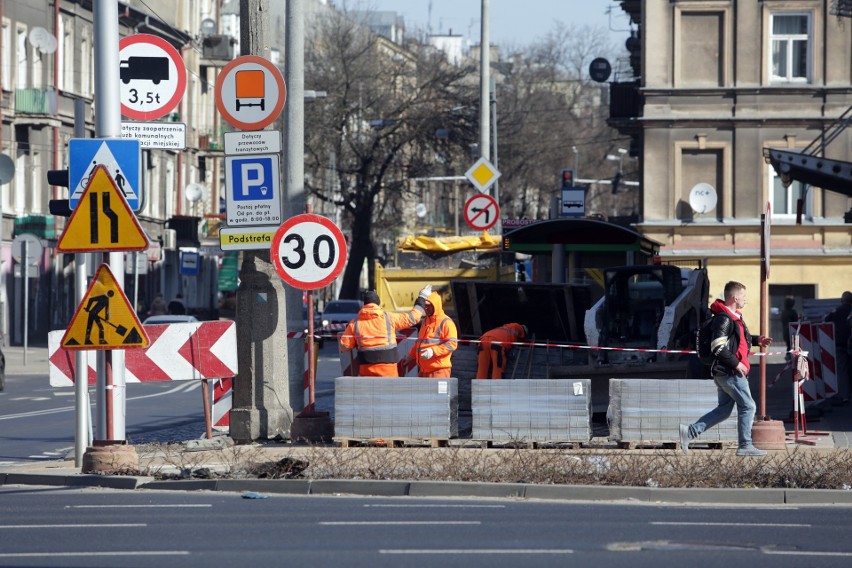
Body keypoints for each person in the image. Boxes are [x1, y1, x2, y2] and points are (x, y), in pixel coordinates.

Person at [680, 281, 772, 457]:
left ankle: (689, 432)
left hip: (725, 372)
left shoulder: (732, 317)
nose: (746, 300)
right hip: (730, 372)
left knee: (723, 410)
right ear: (735, 297)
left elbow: (733, 340)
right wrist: (737, 364)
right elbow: (718, 346)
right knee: (748, 406)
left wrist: (755, 340)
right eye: (743, 296)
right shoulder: (724, 318)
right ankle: (745, 446)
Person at [339, 286, 431, 377]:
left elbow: (343, 347)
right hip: (388, 372)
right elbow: (413, 318)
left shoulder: (354, 324)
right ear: (379, 305)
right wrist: (422, 297)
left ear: (364, 306)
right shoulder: (389, 318)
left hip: (367, 373)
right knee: (388, 391)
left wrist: (356, 342)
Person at [401, 291, 458, 378]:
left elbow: (452, 344)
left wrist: (433, 351)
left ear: (436, 305)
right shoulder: (425, 322)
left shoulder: (446, 322)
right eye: (425, 305)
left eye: (429, 305)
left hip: (439, 371)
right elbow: (419, 343)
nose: (426, 308)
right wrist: (410, 356)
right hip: (423, 371)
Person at [825, 291, 852, 403]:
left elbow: (826, 319)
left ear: (842, 300)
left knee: (843, 370)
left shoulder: (838, 310)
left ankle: (845, 395)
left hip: (841, 344)